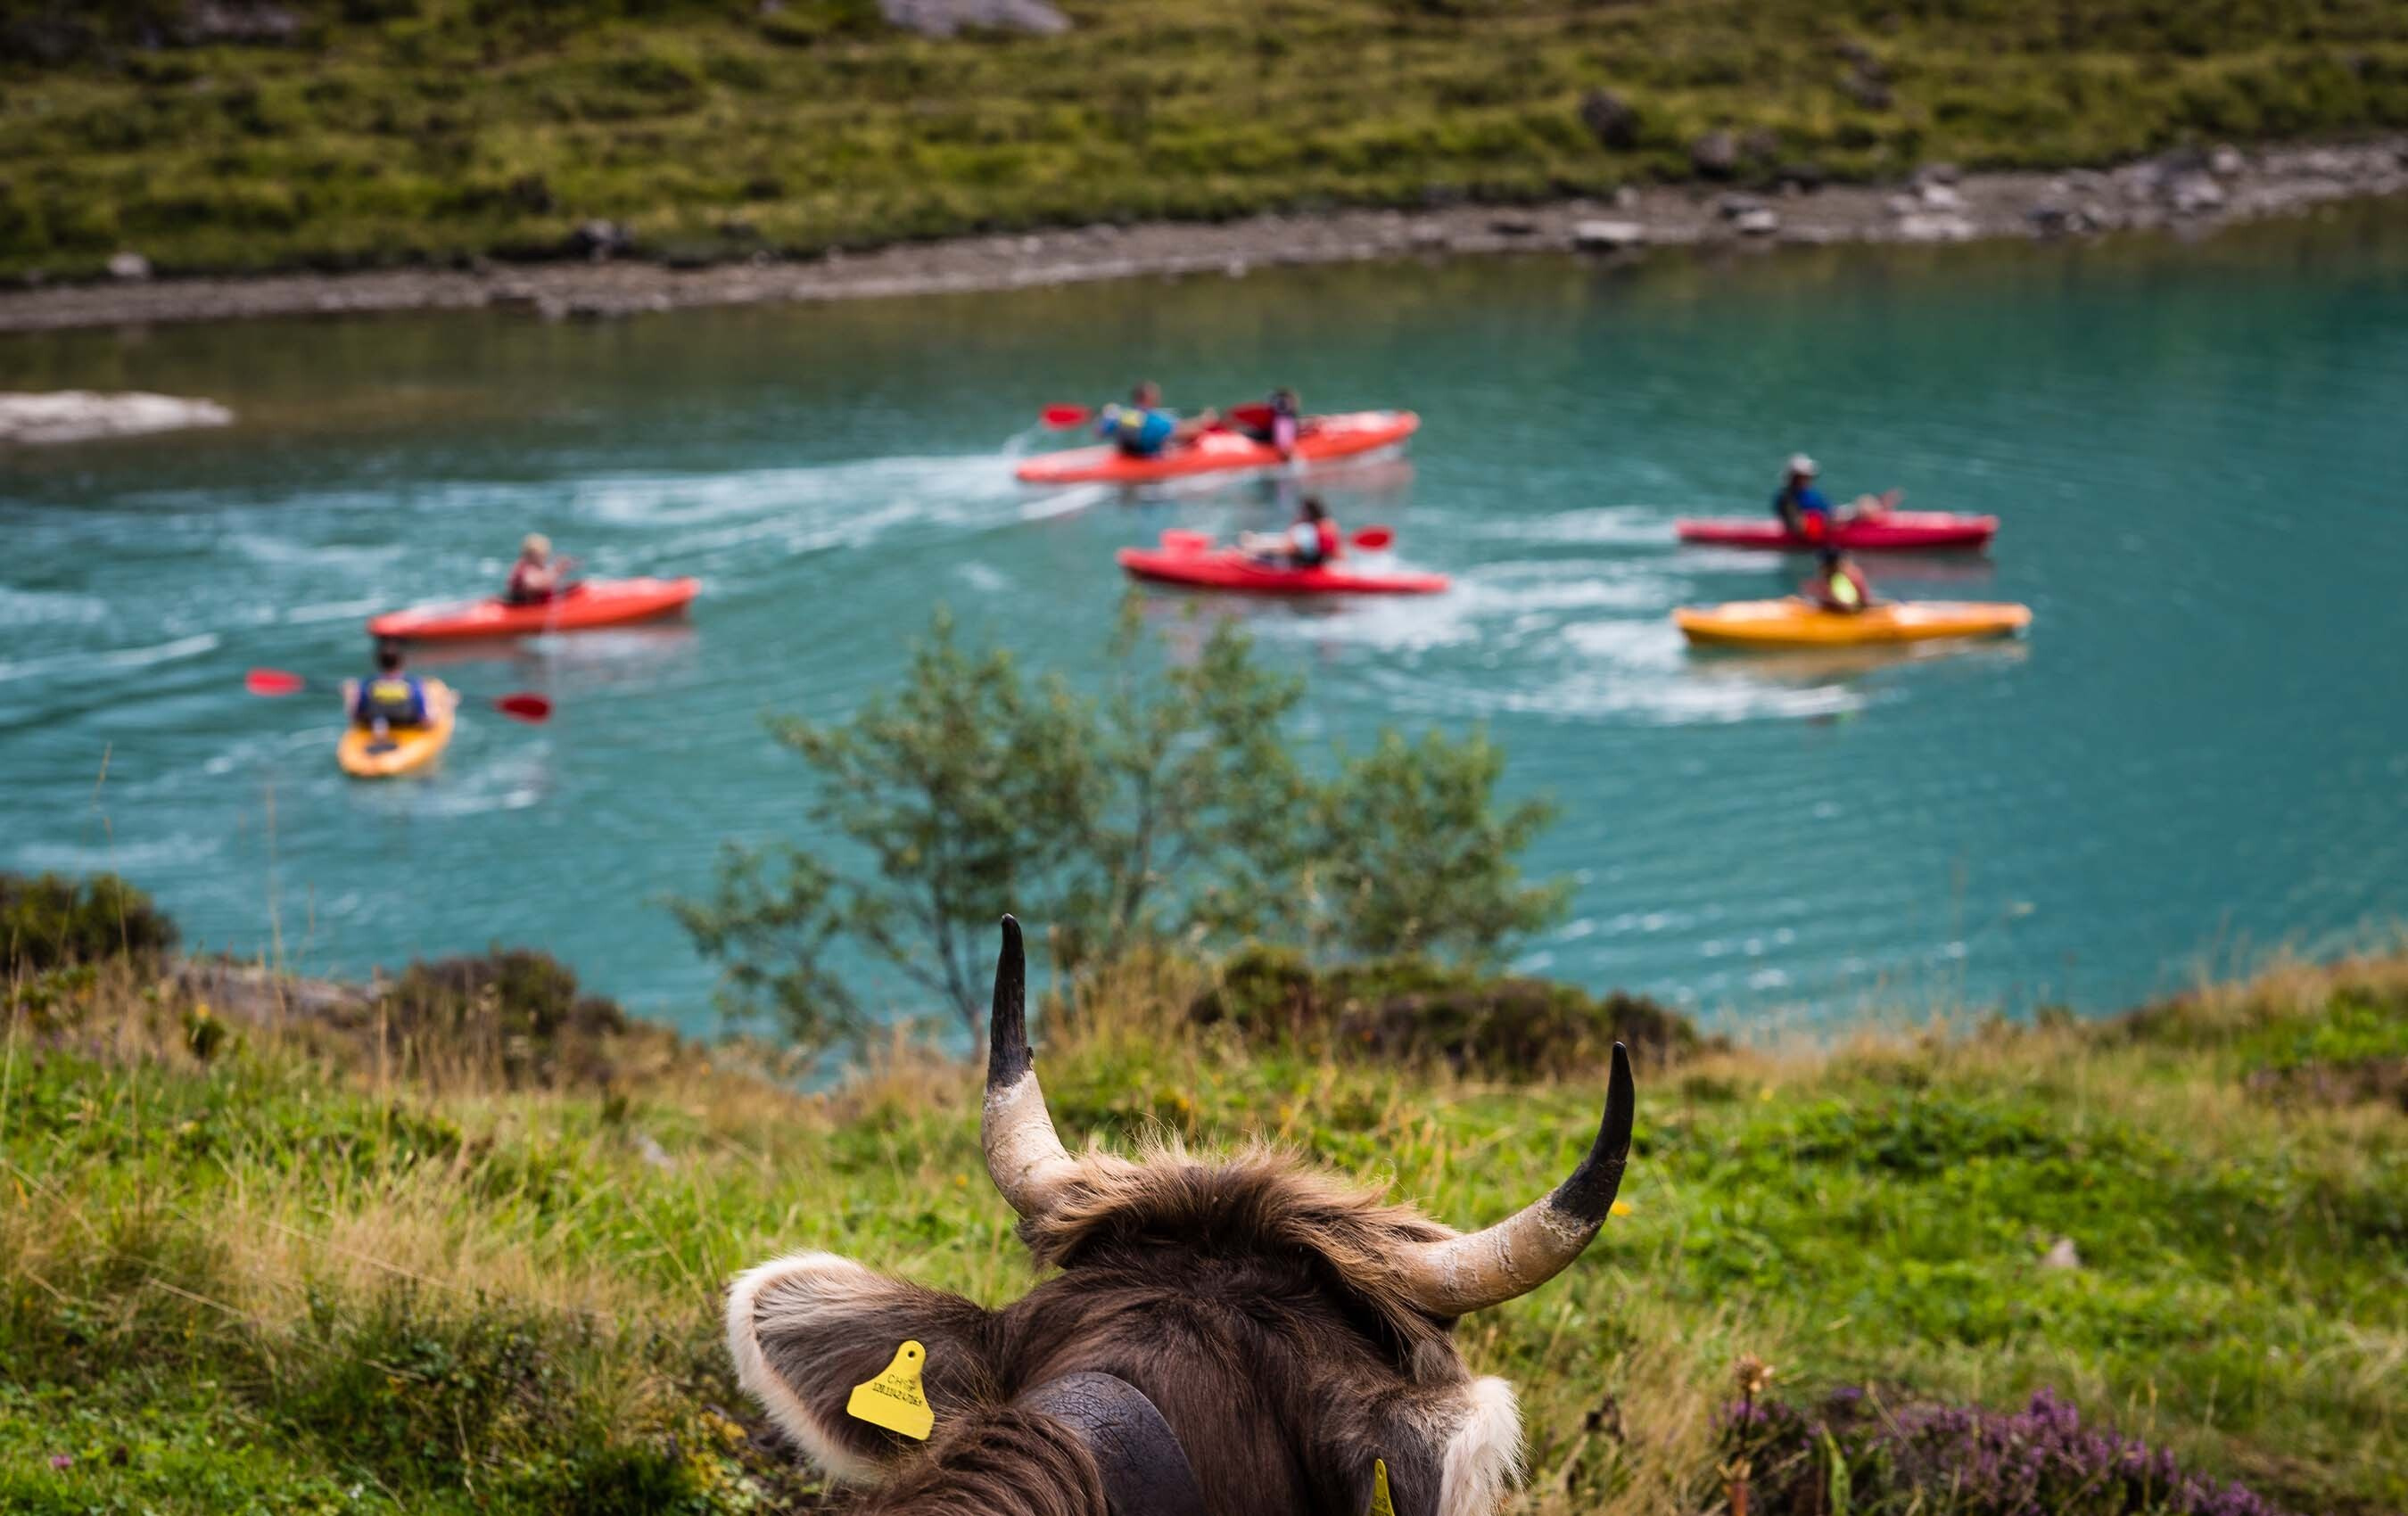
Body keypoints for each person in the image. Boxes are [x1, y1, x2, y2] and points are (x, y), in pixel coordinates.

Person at [1096, 382, 1216, 459]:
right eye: (1156, 396)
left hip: (1126, 455)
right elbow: (1192, 431)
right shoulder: (1156, 421)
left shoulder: (1122, 414)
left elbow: (1099, 433)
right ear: (1150, 399)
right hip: (1146, 460)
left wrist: (1108, 414)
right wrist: (1205, 420)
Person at [1241, 495, 1340, 569]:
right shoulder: (1327, 524)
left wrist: (1263, 549)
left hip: (1305, 564)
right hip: (1318, 560)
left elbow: (1289, 549)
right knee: (1266, 545)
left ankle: (1253, 545)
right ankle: (1254, 543)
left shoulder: (1307, 529)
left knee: (1258, 557)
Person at [350, 641, 429, 731]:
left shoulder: (368, 684)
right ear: (401, 662)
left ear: (379, 663)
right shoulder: (412, 684)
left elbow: (359, 712)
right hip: (408, 723)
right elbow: (421, 711)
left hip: (374, 724)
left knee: (351, 688)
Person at [1772, 454, 1834, 540]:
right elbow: (1796, 526)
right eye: (1803, 477)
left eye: (1808, 477)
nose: (1807, 480)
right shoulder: (1785, 498)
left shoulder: (1814, 494)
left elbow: (1830, 511)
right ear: (1793, 477)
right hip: (1804, 532)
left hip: (1823, 526)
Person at [1234, 388, 1301, 458]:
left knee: (1248, 432)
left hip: (1270, 437)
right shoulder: (1282, 418)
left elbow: (1283, 441)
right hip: (1268, 434)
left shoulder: (1284, 419)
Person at [1803, 546, 1872, 614]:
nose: (1822, 567)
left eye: (1826, 565)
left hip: (1849, 615)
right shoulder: (1844, 574)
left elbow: (1850, 606)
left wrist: (1826, 603)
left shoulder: (1841, 580)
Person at [507, 533, 572, 606]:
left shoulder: (534, 567)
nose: (545, 558)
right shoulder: (526, 569)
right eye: (542, 555)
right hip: (529, 610)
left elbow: (543, 577)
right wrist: (557, 572)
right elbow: (532, 584)